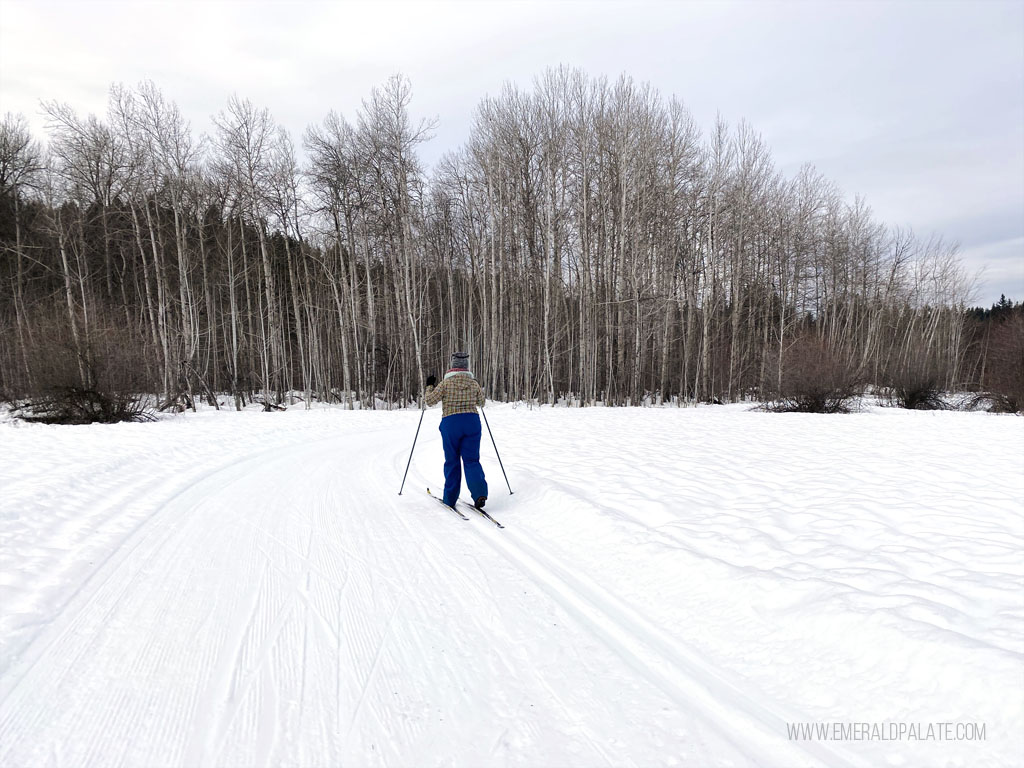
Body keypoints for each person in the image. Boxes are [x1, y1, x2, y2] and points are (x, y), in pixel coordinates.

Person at [424, 351, 488, 510]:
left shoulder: (445, 384)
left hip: (451, 423)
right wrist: (476, 388)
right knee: (472, 460)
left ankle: (450, 498)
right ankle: (479, 493)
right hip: (471, 422)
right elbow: (482, 402)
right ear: (467, 366)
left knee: (452, 461)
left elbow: (430, 401)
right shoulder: (473, 383)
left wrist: (429, 386)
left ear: (452, 365)